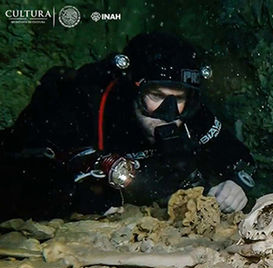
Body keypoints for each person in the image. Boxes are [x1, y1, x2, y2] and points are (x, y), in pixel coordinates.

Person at [0, 32, 256, 220]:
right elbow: (22, 169)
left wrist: (237, 184)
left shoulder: (190, 114)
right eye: (155, 95)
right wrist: (76, 196)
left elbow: (238, 157)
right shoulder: (86, 104)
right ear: (132, 90)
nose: (167, 113)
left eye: (177, 98)